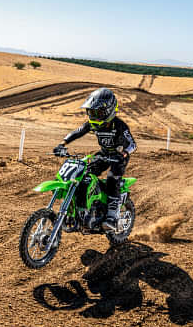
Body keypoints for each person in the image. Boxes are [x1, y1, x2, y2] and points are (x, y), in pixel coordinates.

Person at [53, 87, 136, 231]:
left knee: (112, 179)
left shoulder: (120, 125)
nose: (94, 116)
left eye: (98, 112)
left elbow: (132, 144)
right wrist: (62, 144)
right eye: (91, 112)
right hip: (103, 154)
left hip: (118, 158)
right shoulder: (92, 124)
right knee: (85, 176)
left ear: (109, 111)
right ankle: (86, 208)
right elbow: (77, 132)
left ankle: (111, 215)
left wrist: (123, 154)